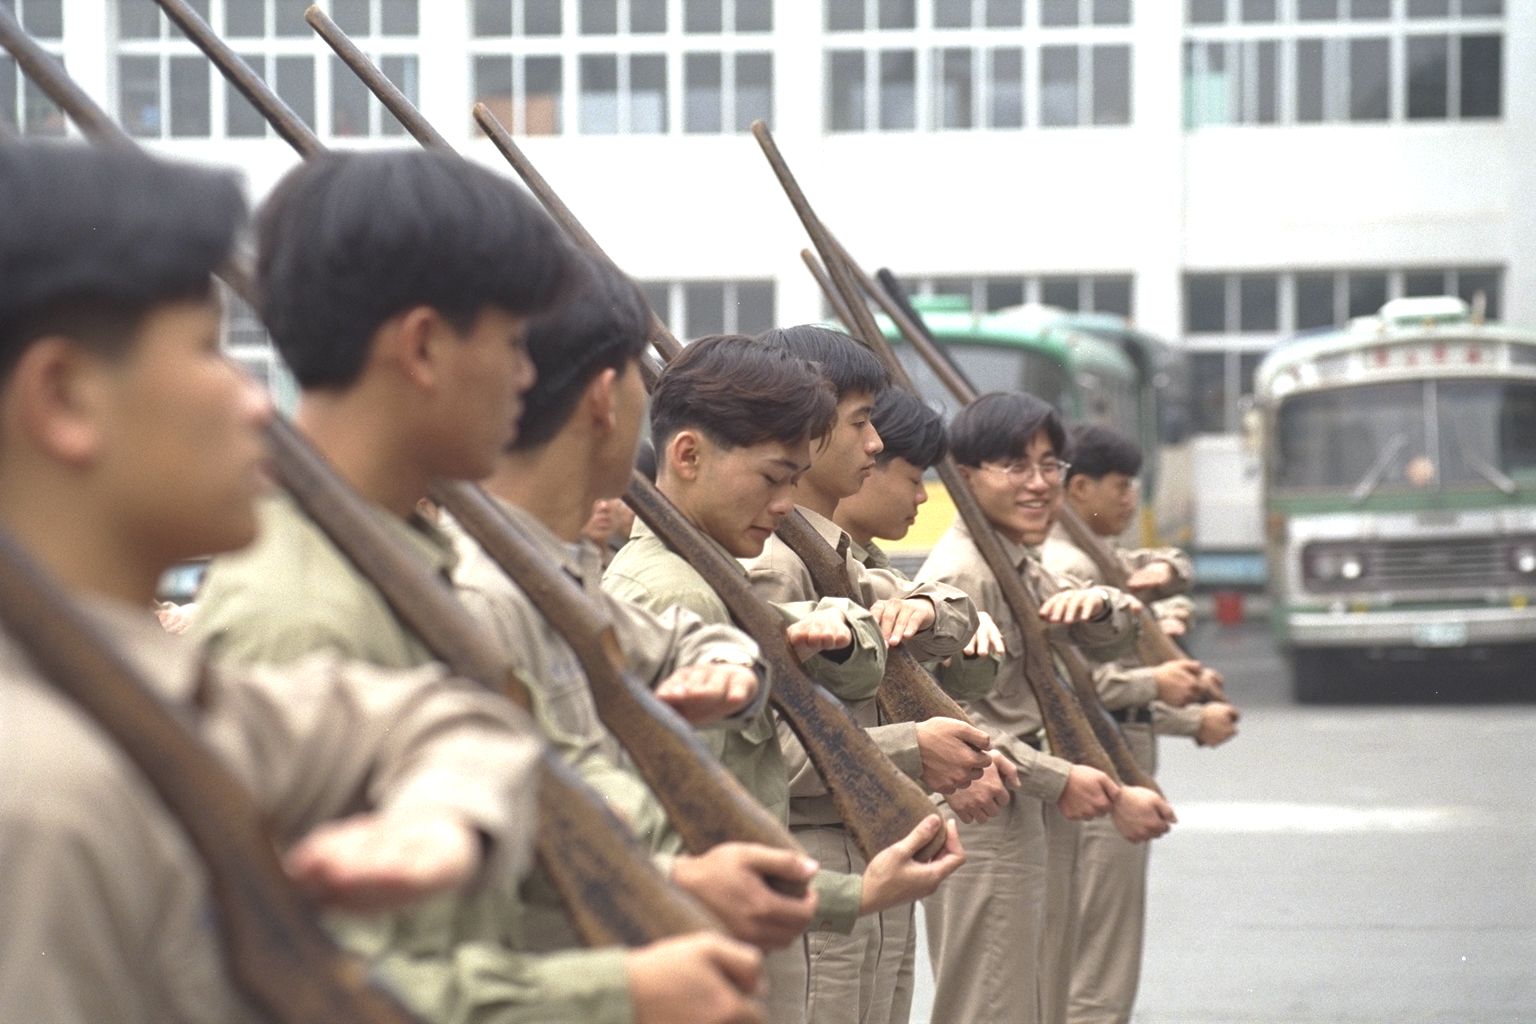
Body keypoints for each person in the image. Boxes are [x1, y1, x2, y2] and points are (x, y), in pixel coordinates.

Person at [190, 149, 765, 1024]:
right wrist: (625, 994)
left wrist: (676, 880)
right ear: (423, 346)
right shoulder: (302, 613)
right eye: (508, 342)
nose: (531, 378)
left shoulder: (419, 566)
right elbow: (317, 985)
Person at [0, 141, 541, 1023]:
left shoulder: (134, 688)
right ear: (62, 398)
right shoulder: (41, 802)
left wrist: (438, 821)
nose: (257, 402)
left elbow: (443, 715)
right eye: (209, 351)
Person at [449, 252, 823, 951]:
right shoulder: (488, 588)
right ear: (601, 398)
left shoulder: (559, 568)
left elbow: (685, 640)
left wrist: (729, 665)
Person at [604, 334, 966, 1024]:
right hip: (720, 912)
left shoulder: (714, 577)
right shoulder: (676, 592)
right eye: (774, 479)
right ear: (686, 456)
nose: (783, 504)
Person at [741, 325, 987, 1024]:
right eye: (861, 423)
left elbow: (946, 620)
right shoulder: (772, 567)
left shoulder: (842, 559)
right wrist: (917, 747)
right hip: (817, 851)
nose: (877, 445)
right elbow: (761, 753)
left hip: (868, 845)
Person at [917, 391, 1176, 1024]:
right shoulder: (964, 576)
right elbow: (951, 725)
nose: (1038, 484)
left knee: (1038, 1003)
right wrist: (1063, 778)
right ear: (964, 474)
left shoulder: (1017, 562)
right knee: (994, 1007)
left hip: (1028, 812)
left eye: (1049, 465)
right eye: (1015, 466)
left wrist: (1107, 606)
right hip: (988, 820)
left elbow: (1100, 635)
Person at [1040, 423, 1240, 1024]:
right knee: (1097, 954)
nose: (1131, 502)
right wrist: (1172, 696)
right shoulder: (1070, 566)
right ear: (1078, 489)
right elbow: (1084, 688)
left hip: (1111, 759)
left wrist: (1189, 709)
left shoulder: (1096, 556)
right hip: (1100, 765)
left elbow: (1167, 566)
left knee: (1092, 946)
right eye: (1121, 488)